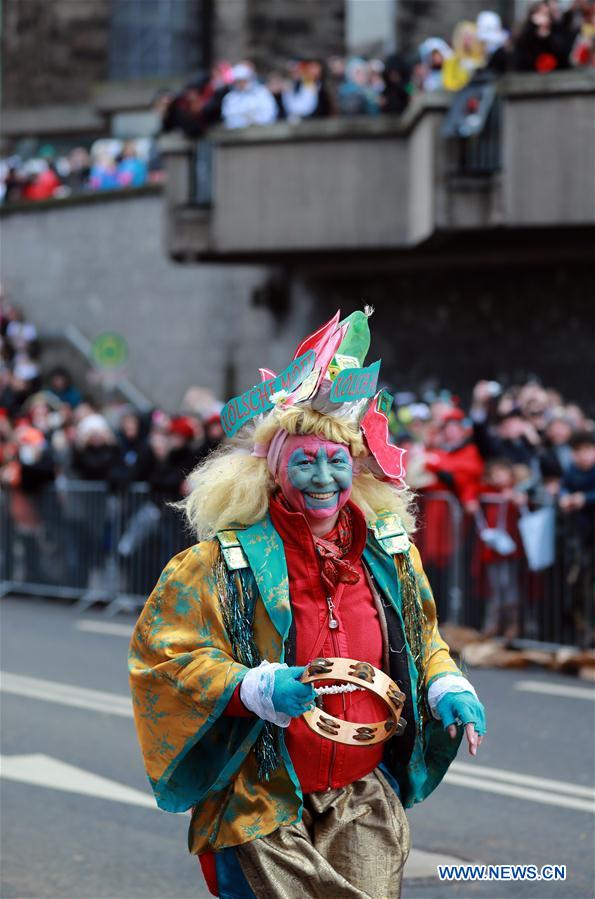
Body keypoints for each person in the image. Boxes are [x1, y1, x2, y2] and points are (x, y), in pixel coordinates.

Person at [129, 310, 486, 899]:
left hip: (362, 796)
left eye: (337, 461)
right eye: (304, 460)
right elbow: (165, 657)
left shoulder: (390, 554)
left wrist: (449, 686)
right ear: (271, 472)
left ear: (357, 469)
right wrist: (252, 689)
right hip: (261, 801)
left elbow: (424, 644)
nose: (323, 477)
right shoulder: (219, 563)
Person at [221, 64, 278, 129]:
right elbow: (228, 117)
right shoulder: (230, 98)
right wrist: (244, 121)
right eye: (238, 81)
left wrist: (256, 120)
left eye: (244, 81)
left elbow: (270, 112)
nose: (241, 84)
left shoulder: (262, 93)